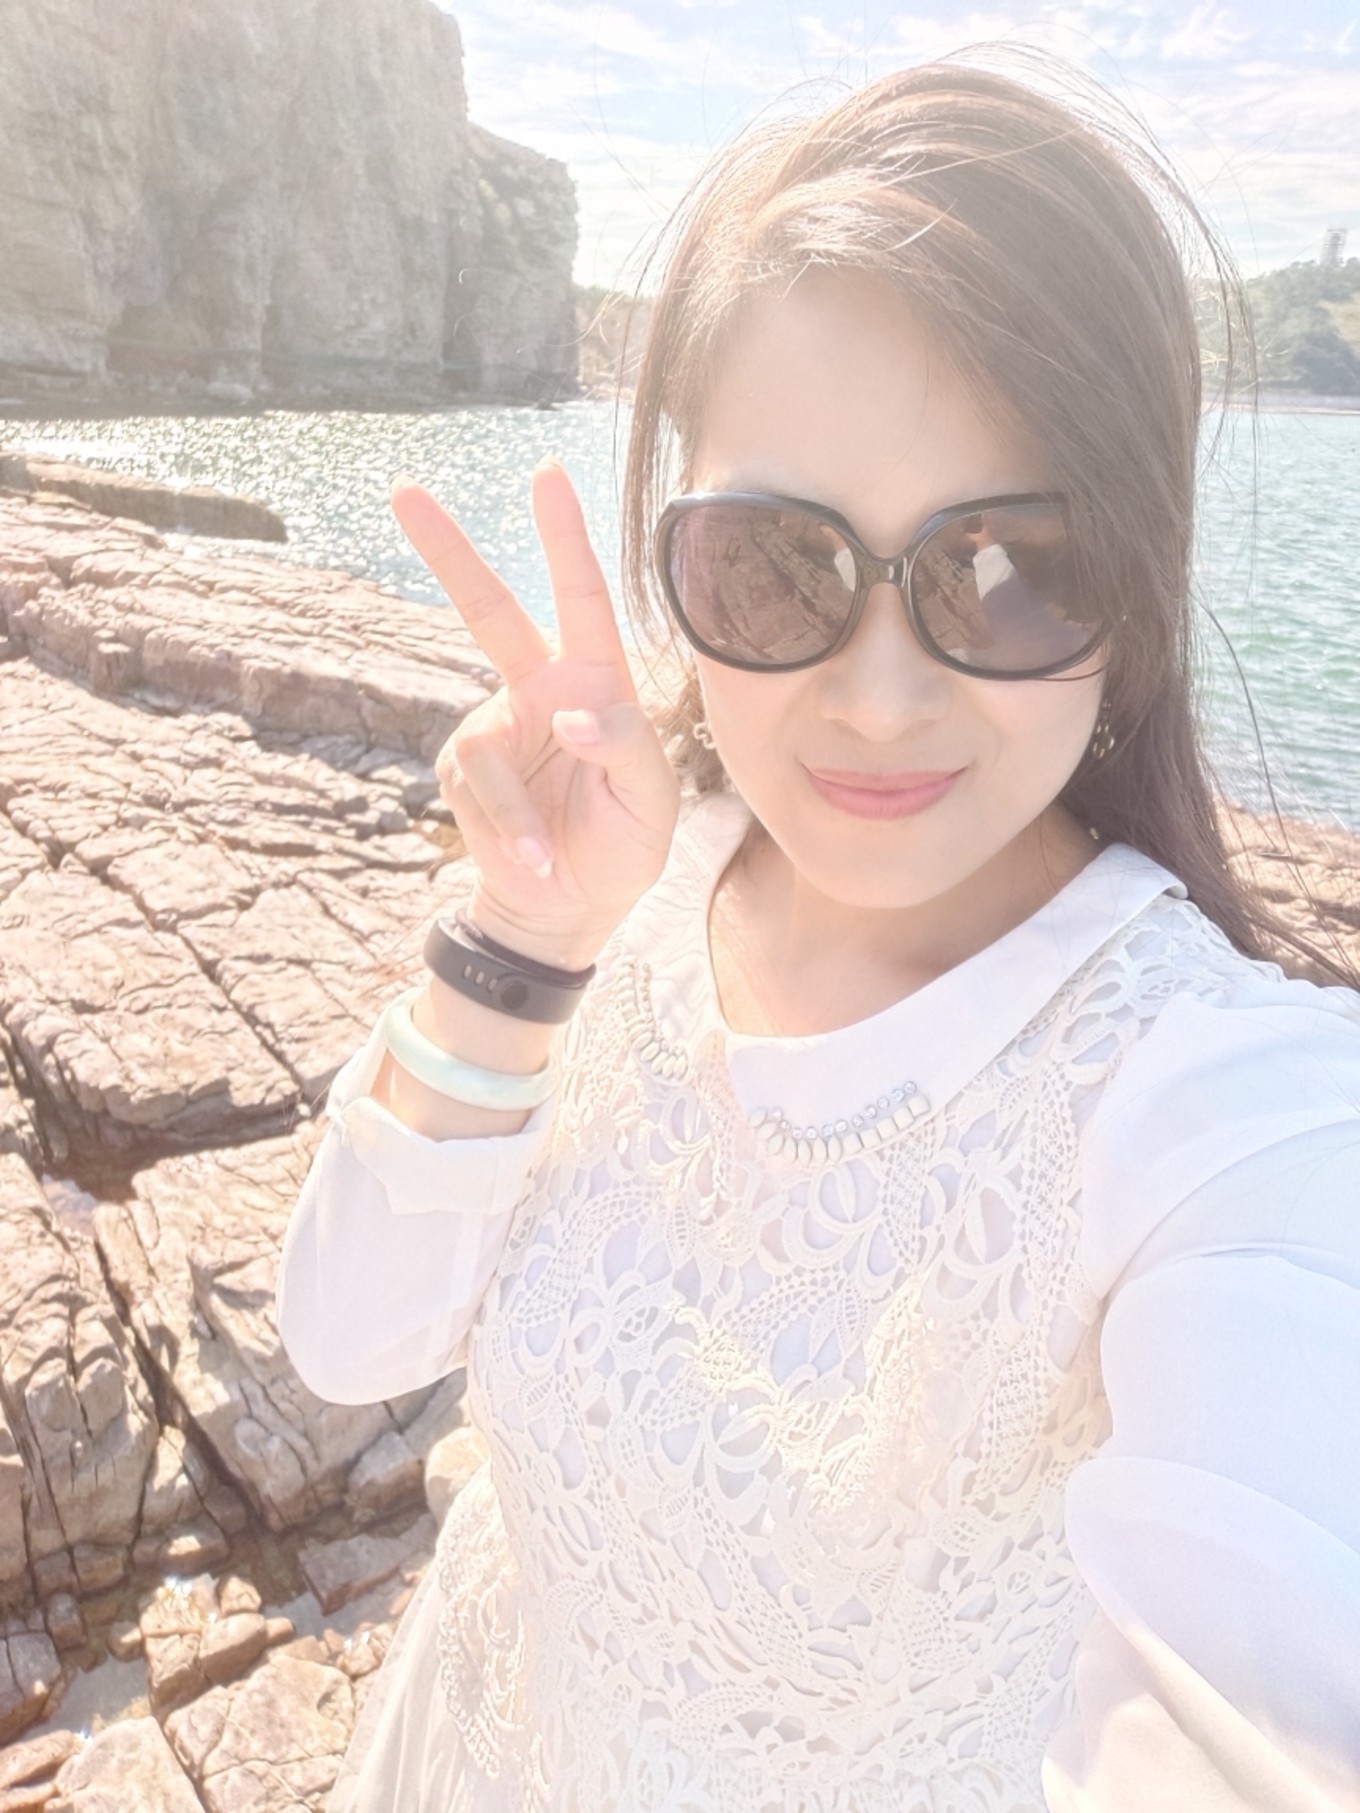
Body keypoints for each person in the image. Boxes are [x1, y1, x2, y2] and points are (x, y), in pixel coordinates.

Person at [275, 52, 1360, 1813]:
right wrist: (525, 937)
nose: (878, 696)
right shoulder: (641, 885)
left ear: (1140, 589)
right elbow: (345, 1341)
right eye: (778, 566)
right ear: (676, 552)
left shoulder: (1218, 1102)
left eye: (1014, 568)